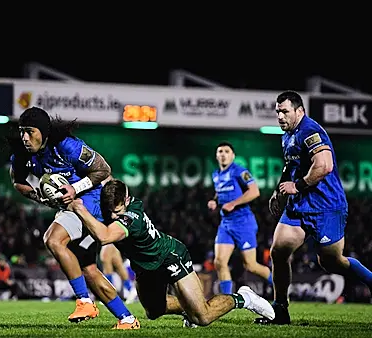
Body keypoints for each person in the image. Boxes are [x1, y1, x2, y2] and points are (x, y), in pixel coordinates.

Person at [67, 179, 275, 327]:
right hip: (146, 268)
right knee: (154, 312)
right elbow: (104, 177)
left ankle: (244, 298)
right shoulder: (114, 203)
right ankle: (187, 309)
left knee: (202, 317)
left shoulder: (132, 217)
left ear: (127, 202)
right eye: (109, 211)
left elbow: (104, 236)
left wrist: (80, 209)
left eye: (117, 212)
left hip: (170, 257)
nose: (113, 215)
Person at [8, 107, 139, 329]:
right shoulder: (21, 154)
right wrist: (39, 197)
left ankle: (84, 301)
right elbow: (18, 181)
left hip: (91, 200)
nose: (25, 138)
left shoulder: (67, 145)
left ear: (44, 131)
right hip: (71, 205)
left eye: (30, 132)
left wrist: (75, 187)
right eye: (22, 132)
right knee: (87, 268)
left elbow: (103, 170)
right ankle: (126, 318)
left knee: (52, 239)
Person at [257, 91, 372, 325]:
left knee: (331, 262)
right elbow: (292, 166)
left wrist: (297, 186)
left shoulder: (311, 131)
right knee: (278, 252)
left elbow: (325, 165)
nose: (279, 116)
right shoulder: (288, 134)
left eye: (285, 111)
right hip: (299, 207)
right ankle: (280, 310)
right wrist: (279, 190)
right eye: (278, 111)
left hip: (326, 207)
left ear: (300, 111)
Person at [207, 142, 273, 294]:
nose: (223, 154)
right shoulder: (216, 175)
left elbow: (255, 191)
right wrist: (214, 201)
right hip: (226, 224)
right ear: (217, 156)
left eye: (227, 151)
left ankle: (279, 288)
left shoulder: (239, 171)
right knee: (219, 262)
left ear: (233, 156)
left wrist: (233, 204)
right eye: (220, 151)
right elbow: (219, 192)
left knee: (250, 265)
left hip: (243, 222)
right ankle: (227, 301)